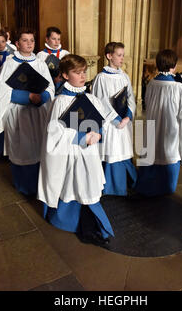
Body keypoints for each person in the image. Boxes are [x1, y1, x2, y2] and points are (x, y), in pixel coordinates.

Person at [37, 54, 115, 247]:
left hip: (90, 154)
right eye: (76, 72)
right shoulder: (60, 102)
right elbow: (54, 135)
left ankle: (89, 227)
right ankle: (87, 229)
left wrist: (99, 133)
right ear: (64, 75)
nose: (82, 76)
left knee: (87, 186)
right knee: (78, 186)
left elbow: (101, 121)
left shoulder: (90, 98)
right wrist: (82, 138)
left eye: (84, 72)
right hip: (72, 154)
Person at [0, 29, 54, 193]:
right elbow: (3, 92)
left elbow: (51, 87)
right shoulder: (10, 63)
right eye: (25, 40)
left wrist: (44, 96)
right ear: (17, 44)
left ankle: (39, 184)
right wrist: (29, 96)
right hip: (18, 113)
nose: (29, 43)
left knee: (38, 147)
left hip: (38, 113)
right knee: (21, 148)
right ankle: (24, 186)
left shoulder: (40, 63)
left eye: (32, 40)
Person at [134, 49, 182, 197]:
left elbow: (147, 105)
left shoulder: (151, 83)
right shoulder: (179, 88)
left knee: (150, 155)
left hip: (151, 129)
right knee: (167, 158)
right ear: (174, 66)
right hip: (170, 132)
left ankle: (146, 188)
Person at [91, 42, 137, 196]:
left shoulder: (124, 76)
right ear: (109, 56)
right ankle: (112, 187)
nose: (122, 58)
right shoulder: (101, 78)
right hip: (111, 124)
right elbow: (100, 103)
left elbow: (131, 97)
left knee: (123, 150)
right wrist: (118, 119)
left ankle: (128, 182)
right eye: (119, 55)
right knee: (112, 151)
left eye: (123, 55)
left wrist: (128, 116)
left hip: (124, 121)